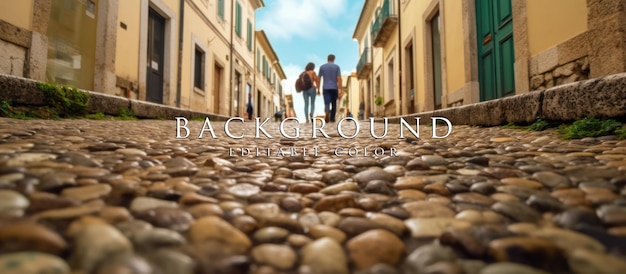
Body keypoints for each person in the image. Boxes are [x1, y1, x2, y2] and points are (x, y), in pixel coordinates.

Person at [317, 54, 342, 123]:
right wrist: (340, 90)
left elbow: (318, 78)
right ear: (334, 59)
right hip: (334, 88)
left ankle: (327, 111)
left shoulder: (322, 67)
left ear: (327, 59)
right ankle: (332, 118)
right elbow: (339, 78)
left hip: (326, 88)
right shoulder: (337, 67)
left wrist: (318, 89)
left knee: (327, 102)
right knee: (334, 103)